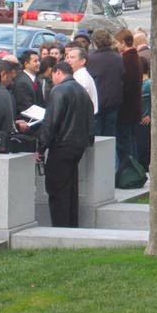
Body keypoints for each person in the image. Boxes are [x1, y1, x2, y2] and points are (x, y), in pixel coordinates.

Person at [35, 62, 95, 228]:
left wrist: (41, 148)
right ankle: (71, 225)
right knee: (70, 190)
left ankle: (60, 227)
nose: (52, 80)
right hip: (78, 145)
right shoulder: (81, 90)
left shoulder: (59, 90)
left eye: (52, 76)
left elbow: (50, 122)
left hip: (62, 145)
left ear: (58, 72)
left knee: (56, 190)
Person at [87, 29, 124, 137]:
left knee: (97, 135)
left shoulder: (91, 59)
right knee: (110, 135)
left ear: (94, 42)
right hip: (113, 101)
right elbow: (122, 77)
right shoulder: (118, 58)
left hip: (97, 102)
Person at [114, 28, 142, 166]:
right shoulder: (136, 57)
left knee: (125, 144)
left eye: (117, 42)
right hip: (134, 107)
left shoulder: (126, 59)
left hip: (126, 108)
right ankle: (134, 167)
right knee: (131, 140)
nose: (116, 45)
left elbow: (125, 85)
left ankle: (129, 169)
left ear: (123, 42)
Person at [66, 47, 98, 114]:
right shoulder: (78, 75)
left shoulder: (81, 78)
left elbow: (77, 103)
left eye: (72, 57)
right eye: (67, 57)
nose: (68, 60)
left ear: (82, 61)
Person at [13, 50, 44, 115]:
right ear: (26, 64)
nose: (38, 63)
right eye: (35, 61)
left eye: (38, 60)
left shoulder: (37, 81)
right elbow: (25, 107)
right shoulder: (22, 82)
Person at [135, 57, 151, 170]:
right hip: (137, 120)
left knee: (144, 146)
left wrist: (150, 115)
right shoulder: (138, 83)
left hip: (145, 122)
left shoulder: (149, 84)